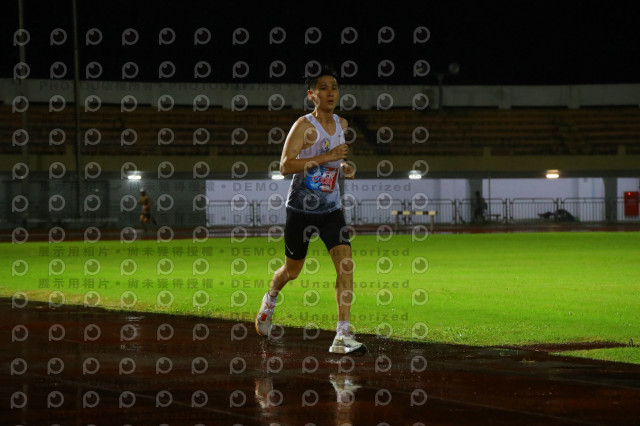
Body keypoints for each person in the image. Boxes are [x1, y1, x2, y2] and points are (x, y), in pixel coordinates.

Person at [255, 66, 365, 355]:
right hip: (301, 210)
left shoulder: (341, 124)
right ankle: (270, 299)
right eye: (324, 88)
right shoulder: (303, 126)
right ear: (311, 95)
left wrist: (344, 167)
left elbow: (335, 162)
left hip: (330, 209)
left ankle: (342, 334)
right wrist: (327, 157)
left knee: (345, 265)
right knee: (292, 271)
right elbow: (285, 166)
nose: (331, 93)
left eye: (334, 87)